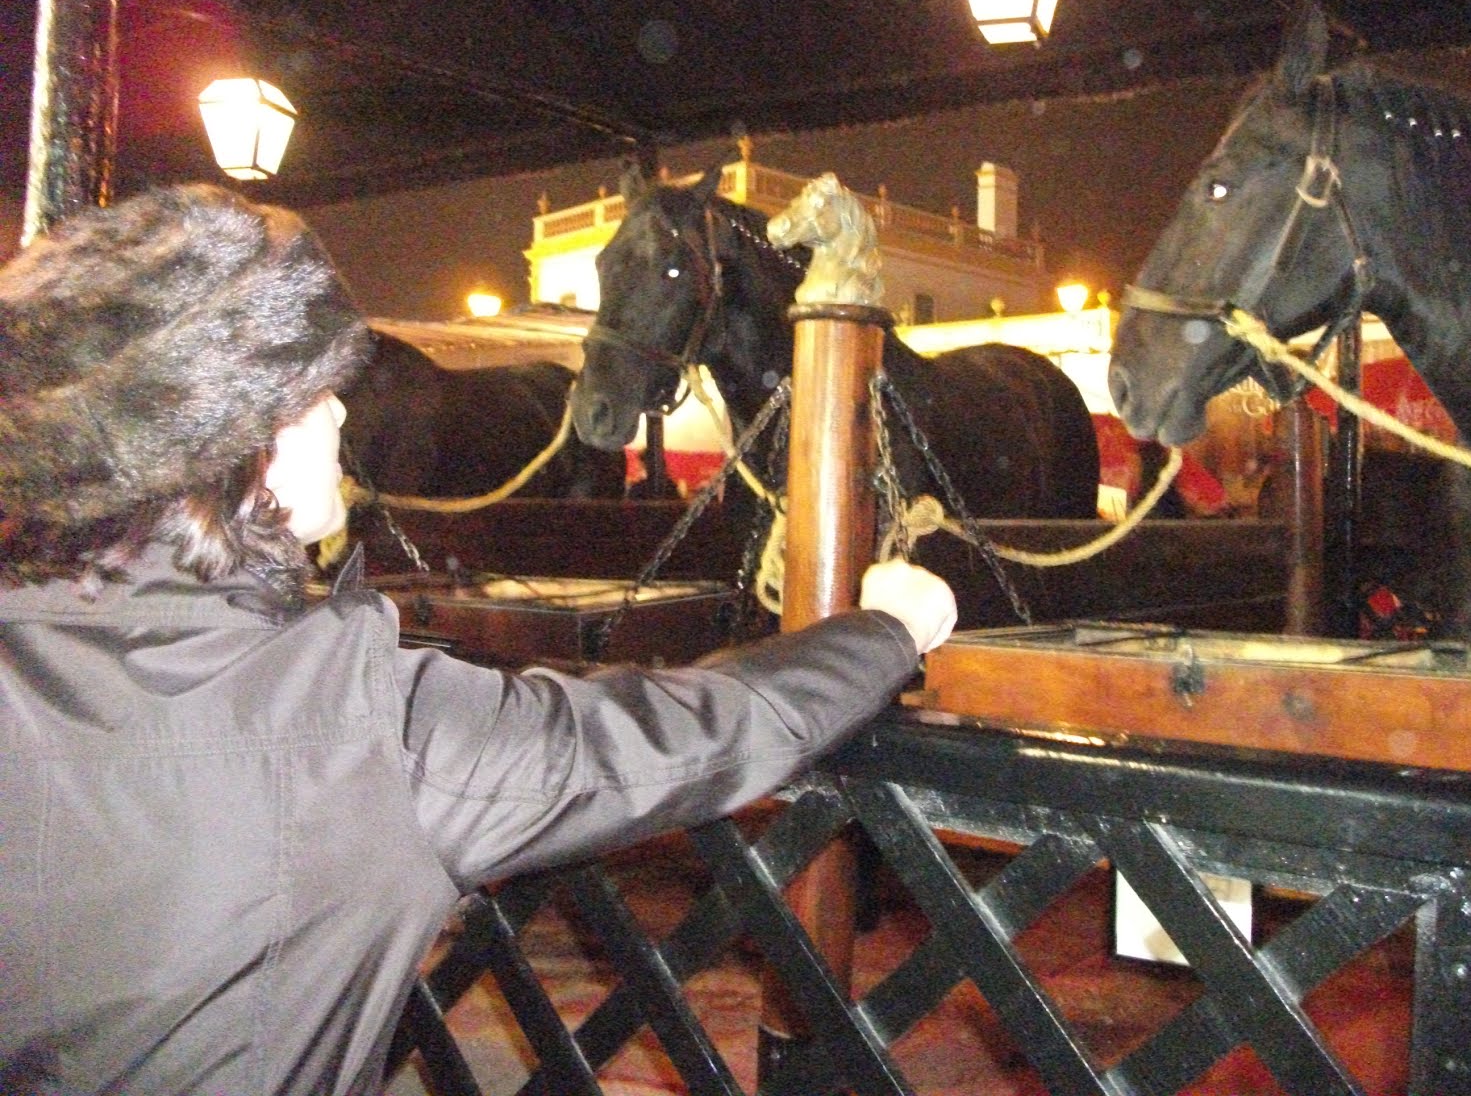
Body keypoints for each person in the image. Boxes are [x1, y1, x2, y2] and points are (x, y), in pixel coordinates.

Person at [0, 185, 957, 1096]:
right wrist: (891, 629)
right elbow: (690, 731)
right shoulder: (360, 720)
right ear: (239, 442)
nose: (340, 411)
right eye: (312, 393)